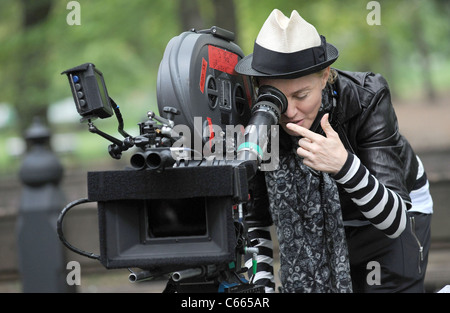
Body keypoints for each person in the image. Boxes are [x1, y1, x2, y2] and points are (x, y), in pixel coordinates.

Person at [235, 9, 433, 293]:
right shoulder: (257, 123)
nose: (290, 112)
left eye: (301, 95)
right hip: (320, 232)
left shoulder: (367, 98)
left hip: (389, 217)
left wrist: (343, 165)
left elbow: (395, 222)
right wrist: (262, 288)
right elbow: (255, 220)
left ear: (325, 75)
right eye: (278, 98)